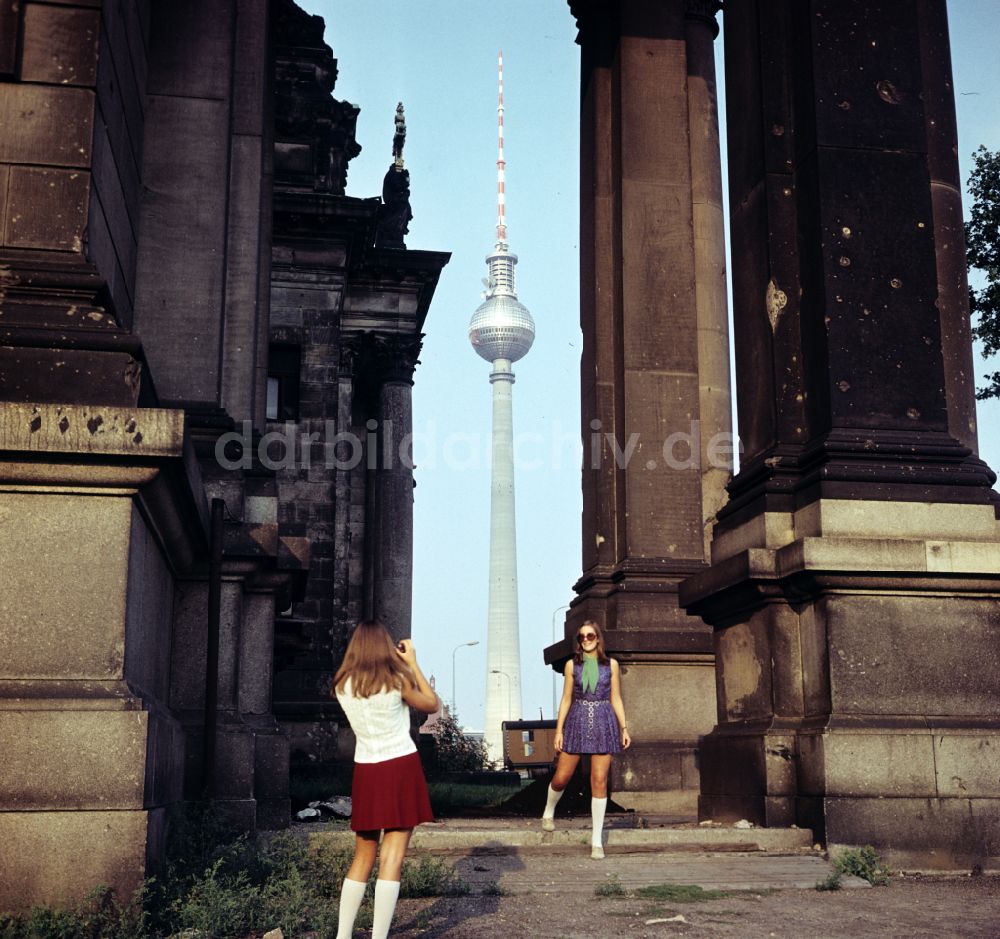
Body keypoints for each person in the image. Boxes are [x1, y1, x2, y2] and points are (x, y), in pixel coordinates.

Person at [332, 620, 439, 939]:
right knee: (392, 856)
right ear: (384, 646)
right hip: (399, 766)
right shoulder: (396, 680)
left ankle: (342, 935)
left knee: (363, 855)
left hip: (366, 769)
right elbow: (432, 705)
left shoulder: (342, 685)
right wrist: (413, 664)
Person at [540, 619, 631, 859]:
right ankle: (549, 811)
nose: (586, 640)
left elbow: (616, 699)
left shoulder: (611, 665)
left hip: (604, 720)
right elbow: (566, 699)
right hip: (577, 720)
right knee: (561, 778)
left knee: (599, 780)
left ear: (598, 638)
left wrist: (624, 727)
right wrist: (559, 731)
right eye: (582, 637)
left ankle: (596, 840)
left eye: (590, 636)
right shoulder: (572, 665)